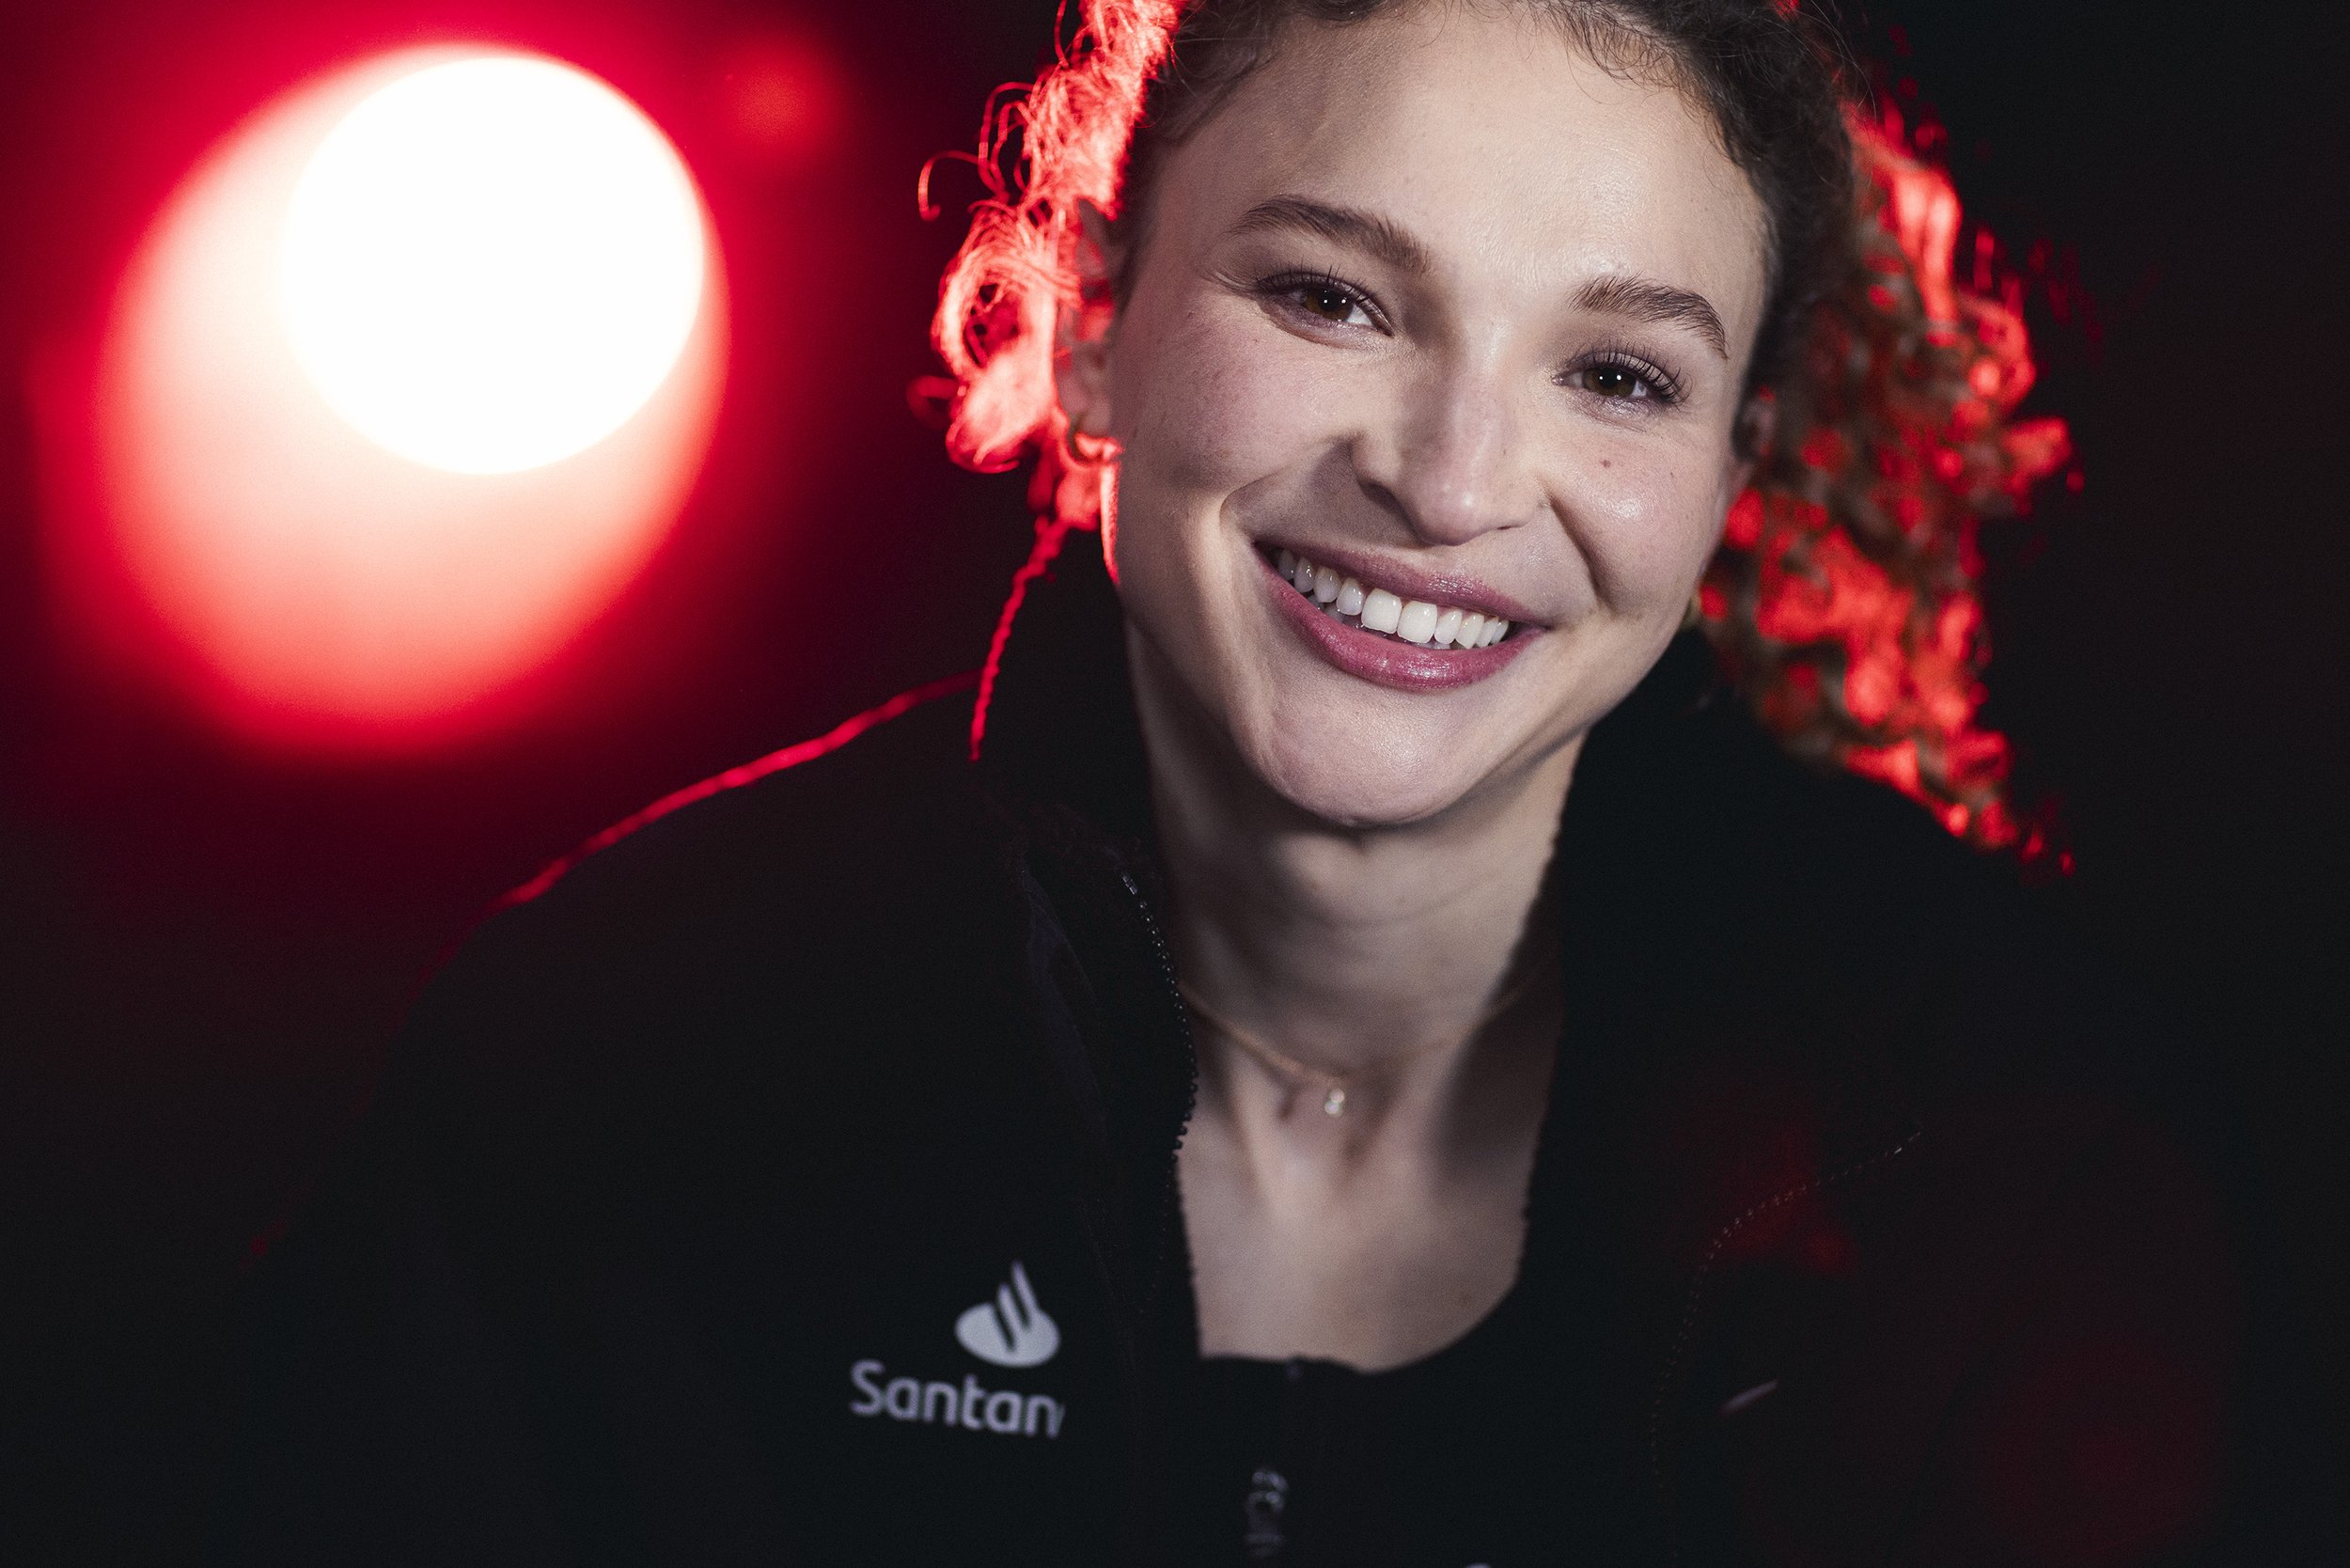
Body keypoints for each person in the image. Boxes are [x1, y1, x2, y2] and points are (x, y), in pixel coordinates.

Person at [214, 1, 2337, 1562]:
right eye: (1331, 297)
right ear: (1100, 316)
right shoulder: (622, 1056)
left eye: (1611, 372)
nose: (1442, 478)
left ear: (1731, 469)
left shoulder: (2008, 1142)